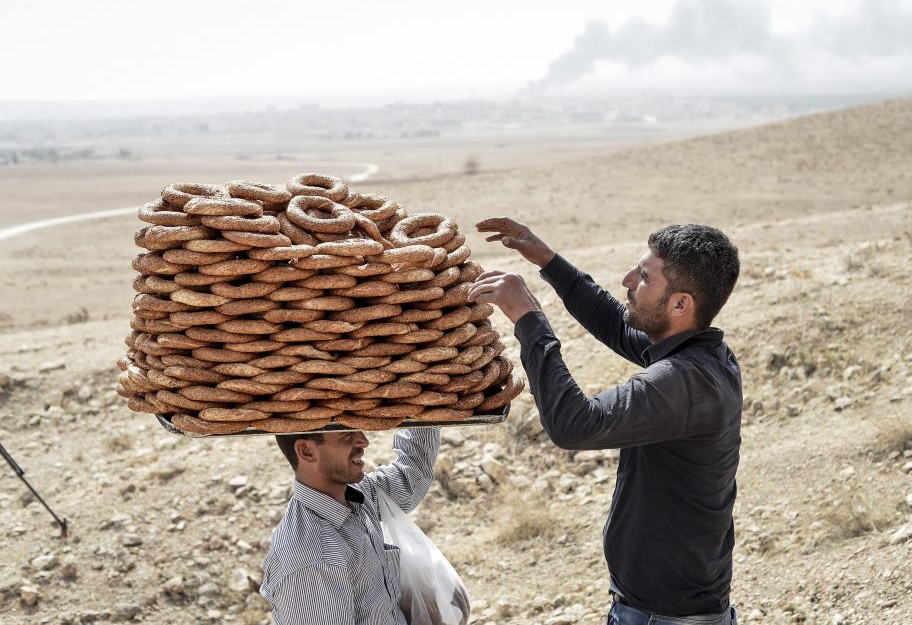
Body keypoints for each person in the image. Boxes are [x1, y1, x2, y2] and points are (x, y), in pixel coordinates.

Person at [468, 217, 741, 625]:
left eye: (645, 277)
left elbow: (574, 425)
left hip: (664, 617)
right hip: (664, 609)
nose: (628, 279)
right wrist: (547, 259)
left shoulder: (684, 382)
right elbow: (615, 323)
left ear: (681, 304)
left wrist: (529, 319)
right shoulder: (700, 355)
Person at [260, 427, 441, 625]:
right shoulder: (312, 559)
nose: (363, 441)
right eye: (346, 434)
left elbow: (410, 477)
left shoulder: (357, 495)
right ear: (307, 451)